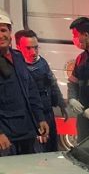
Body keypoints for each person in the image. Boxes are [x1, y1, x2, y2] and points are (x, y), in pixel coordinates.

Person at [0, 10, 49, 156]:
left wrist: (40, 118)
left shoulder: (18, 57)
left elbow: (31, 90)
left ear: (10, 32)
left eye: (3, 30)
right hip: (6, 137)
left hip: (27, 131)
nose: (1, 35)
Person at [15, 29, 67, 152]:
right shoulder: (15, 67)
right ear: (18, 47)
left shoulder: (42, 62)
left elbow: (52, 83)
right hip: (30, 118)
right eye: (28, 48)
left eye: (36, 47)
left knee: (52, 150)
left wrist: (62, 104)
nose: (33, 52)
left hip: (48, 113)